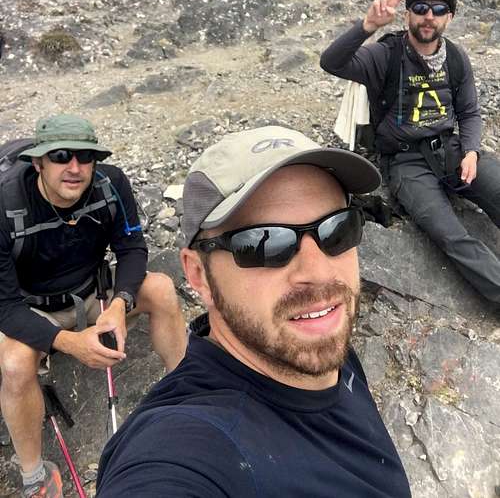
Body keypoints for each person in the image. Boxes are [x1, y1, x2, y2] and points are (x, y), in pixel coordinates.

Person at [96, 125, 411, 497]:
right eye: (265, 243)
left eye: (337, 230)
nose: (319, 272)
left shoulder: (316, 342)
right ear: (199, 275)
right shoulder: (185, 448)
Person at [0, 114, 187, 498]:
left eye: (85, 156)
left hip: (92, 295)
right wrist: (70, 342)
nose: (75, 167)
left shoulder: (111, 185)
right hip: (31, 307)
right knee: (16, 363)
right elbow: (4, 308)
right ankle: (35, 473)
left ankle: (187, 393)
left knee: (162, 288)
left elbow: (132, 248)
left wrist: (121, 302)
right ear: (38, 163)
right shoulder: (5, 206)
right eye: (61, 156)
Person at [320, 0, 500, 302]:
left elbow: (470, 113)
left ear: (449, 17)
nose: (428, 16)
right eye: (419, 8)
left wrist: (472, 151)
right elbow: (331, 62)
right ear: (408, 15)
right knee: (451, 235)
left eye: (437, 9)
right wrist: (367, 26)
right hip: (405, 162)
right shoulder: (385, 55)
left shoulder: (456, 58)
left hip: (452, 150)